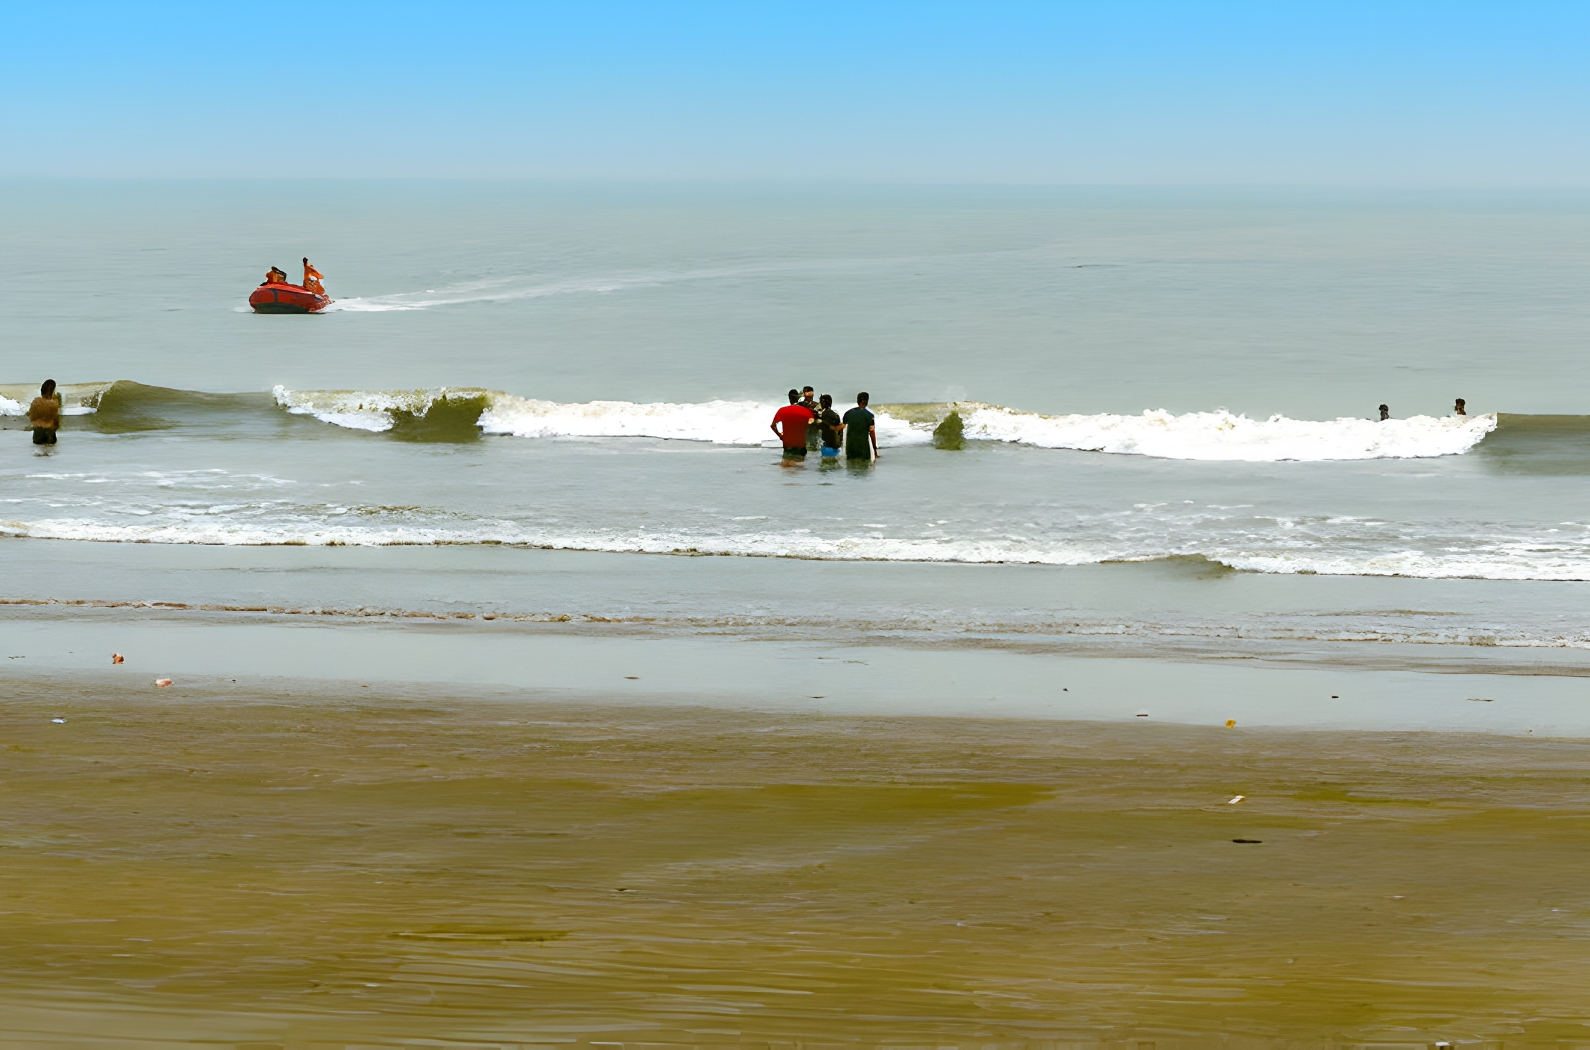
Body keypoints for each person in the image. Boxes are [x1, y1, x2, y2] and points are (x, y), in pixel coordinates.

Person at [769, 388, 816, 460]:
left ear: (789, 398)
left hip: (788, 446)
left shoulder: (782, 410)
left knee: (787, 467)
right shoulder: (807, 412)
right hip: (801, 446)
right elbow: (812, 424)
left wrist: (781, 436)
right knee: (800, 468)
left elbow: (773, 426)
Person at [842, 392, 878, 461]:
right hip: (863, 450)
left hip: (850, 449)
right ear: (867, 402)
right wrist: (875, 448)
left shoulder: (848, 413)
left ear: (857, 401)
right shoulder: (870, 416)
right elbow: (872, 433)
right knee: (864, 469)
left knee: (851, 469)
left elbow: (842, 430)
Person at [28, 379, 61, 446]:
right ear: (52, 391)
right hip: (49, 432)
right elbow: (56, 422)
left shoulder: (36, 401)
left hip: (37, 433)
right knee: (50, 452)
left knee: (38, 451)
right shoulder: (54, 403)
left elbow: (31, 417)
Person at [816, 394, 844, 459]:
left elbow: (822, 427)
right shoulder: (835, 415)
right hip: (836, 447)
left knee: (825, 465)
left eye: (820, 402)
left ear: (823, 403)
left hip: (827, 447)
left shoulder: (824, 415)